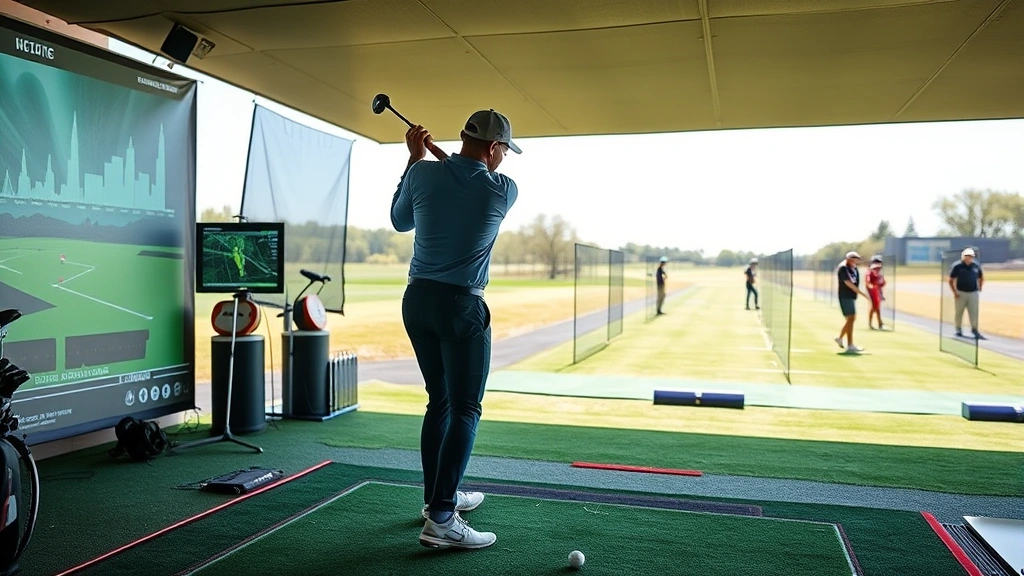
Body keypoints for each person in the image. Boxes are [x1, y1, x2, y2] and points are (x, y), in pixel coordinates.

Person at [390, 109, 521, 550]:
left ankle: (437, 500)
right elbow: (470, 178)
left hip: (417, 302)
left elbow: (399, 220)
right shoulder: (502, 190)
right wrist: (440, 164)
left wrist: (413, 160)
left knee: (439, 402)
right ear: (493, 148)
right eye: (504, 150)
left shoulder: (423, 175)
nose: (505, 158)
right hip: (461, 307)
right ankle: (443, 518)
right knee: (466, 408)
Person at [834, 251, 871, 353]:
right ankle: (840, 338)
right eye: (855, 259)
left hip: (851, 296)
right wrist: (863, 294)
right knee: (851, 318)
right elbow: (848, 283)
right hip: (845, 296)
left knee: (850, 320)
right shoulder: (843, 268)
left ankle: (850, 344)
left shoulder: (853, 268)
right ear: (849, 259)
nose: (857, 261)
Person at [948, 247, 984, 339]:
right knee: (959, 312)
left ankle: (974, 329)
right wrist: (954, 292)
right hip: (961, 292)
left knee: (974, 312)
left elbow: (981, 277)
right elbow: (951, 280)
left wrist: (980, 287)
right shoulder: (957, 266)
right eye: (967, 256)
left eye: (971, 256)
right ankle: (958, 329)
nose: (969, 258)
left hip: (973, 293)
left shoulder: (975, 266)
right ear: (963, 256)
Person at [866, 255, 887, 330]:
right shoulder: (870, 271)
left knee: (877, 308)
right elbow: (868, 282)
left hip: (877, 291)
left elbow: (881, 283)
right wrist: (872, 287)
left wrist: (881, 294)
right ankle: (872, 323)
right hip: (872, 292)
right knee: (874, 307)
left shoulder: (879, 272)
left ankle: (879, 323)